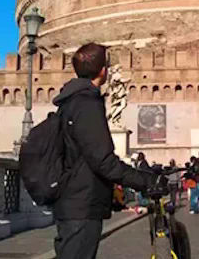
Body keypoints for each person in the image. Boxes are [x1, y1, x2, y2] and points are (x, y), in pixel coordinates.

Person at [51, 43, 154, 259]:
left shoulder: (70, 101)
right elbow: (103, 161)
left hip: (73, 202)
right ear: (103, 71)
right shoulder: (86, 103)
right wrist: (145, 181)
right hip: (82, 207)